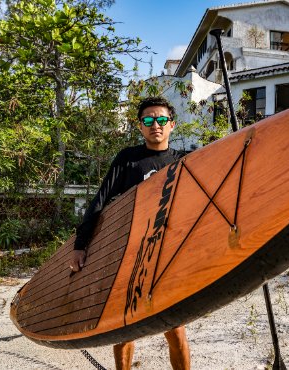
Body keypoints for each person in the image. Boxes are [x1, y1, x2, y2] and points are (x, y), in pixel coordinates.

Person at [69, 96, 190, 370]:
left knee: (175, 329)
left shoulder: (183, 162)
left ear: (172, 125)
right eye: (148, 120)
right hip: (131, 252)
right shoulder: (128, 159)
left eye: (161, 120)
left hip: (167, 255)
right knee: (124, 329)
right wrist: (81, 244)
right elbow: (100, 201)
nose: (155, 125)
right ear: (140, 127)